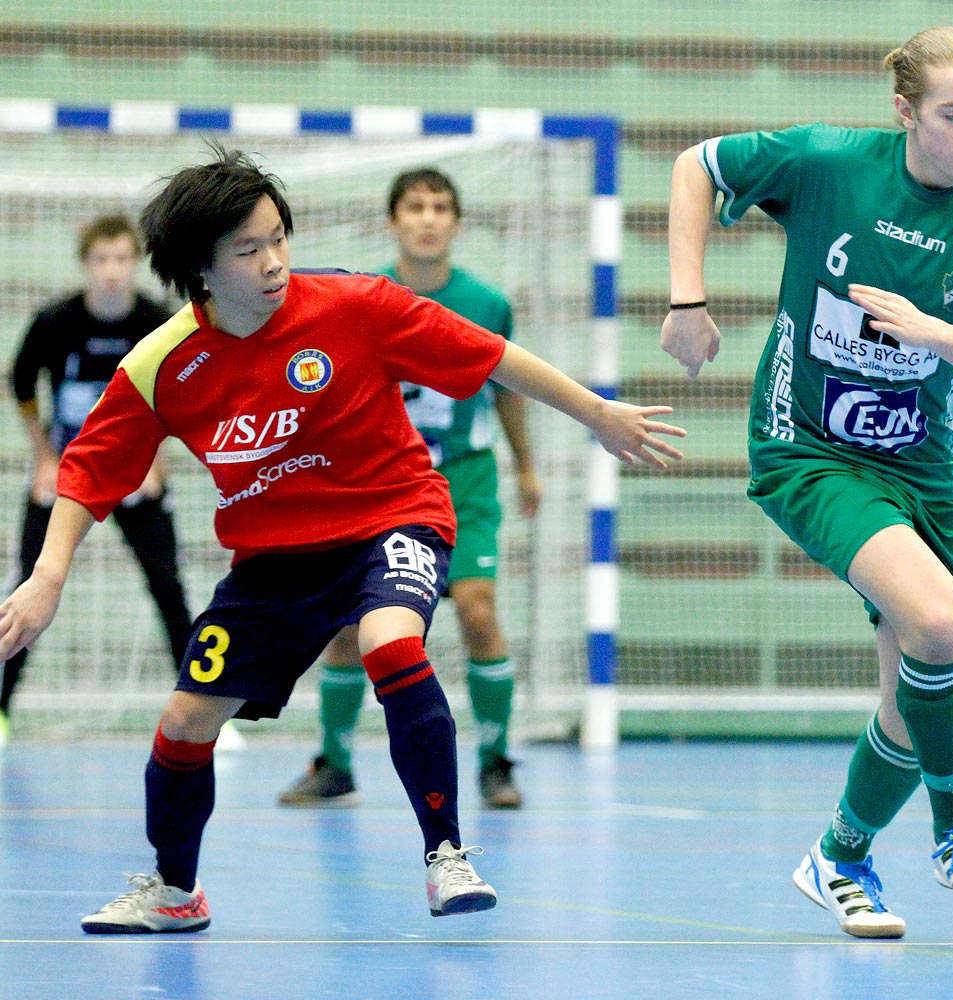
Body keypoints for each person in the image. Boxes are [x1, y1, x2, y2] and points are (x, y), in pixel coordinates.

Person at [0, 144, 684, 934]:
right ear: (200, 271)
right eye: (248, 249)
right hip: (272, 562)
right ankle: (175, 891)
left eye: (278, 238)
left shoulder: (356, 306)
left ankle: (446, 854)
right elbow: (88, 470)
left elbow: (487, 355)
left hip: (392, 516)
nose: (273, 262)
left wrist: (597, 412)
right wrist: (48, 575)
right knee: (186, 721)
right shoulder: (162, 364)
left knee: (391, 643)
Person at [662, 26, 953, 939]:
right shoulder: (830, 162)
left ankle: (840, 853)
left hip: (920, 466)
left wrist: (931, 332)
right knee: (942, 621)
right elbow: (696, 167)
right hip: (807, 446)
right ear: (906, 113)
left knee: (912, 695)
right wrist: (689, 300)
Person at [279, 168, 539, 810]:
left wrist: (526, 465)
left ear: (455, 222)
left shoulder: (485, 303)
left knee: (477, 609)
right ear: (393, 221)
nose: (428, 218)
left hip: (464, 481)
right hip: (379, 483)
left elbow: (507, 387)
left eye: (441, 207)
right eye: (415, 207)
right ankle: (335, 763)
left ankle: (496, 762)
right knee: (349, 626)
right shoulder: (358, 296)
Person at [1, 215, 193, 749]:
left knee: (167, 585)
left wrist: (155, 460)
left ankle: (201, 714)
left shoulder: (158, 322)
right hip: (68, 477)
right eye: (101, 260)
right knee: (30, 584)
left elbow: (182, 395)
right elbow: (21, 382)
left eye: (122, 259)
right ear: (86, 265)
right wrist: (43, 456)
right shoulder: (55, 321)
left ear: (135, 265)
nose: (112, 271)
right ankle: (1, 711)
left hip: (134, 477)